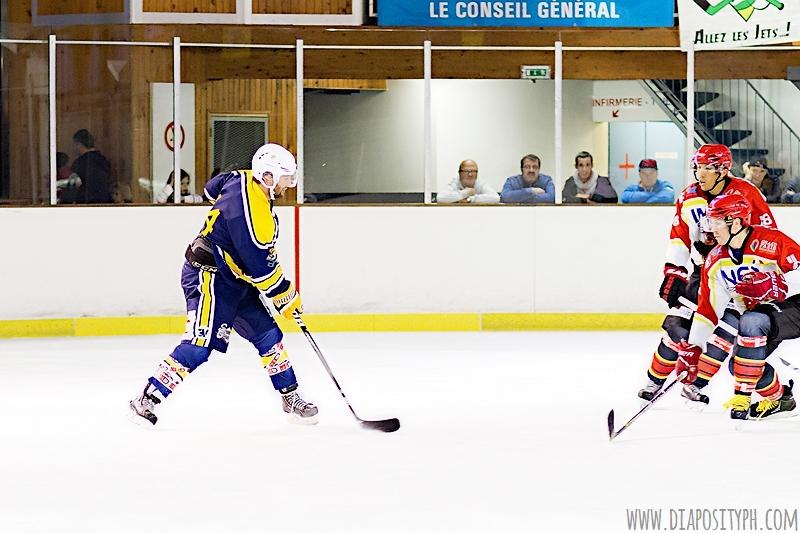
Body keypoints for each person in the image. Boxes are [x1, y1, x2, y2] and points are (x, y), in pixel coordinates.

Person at [129, 143, 318, 426]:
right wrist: (286, 296)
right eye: (284, 179)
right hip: (208, 276)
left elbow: (210, 188)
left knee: (268, 335)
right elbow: (260, 267)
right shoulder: (253, 216)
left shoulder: (241, 177)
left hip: (233, 278)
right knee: (199, 345)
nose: (288, 186)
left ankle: (289, 396)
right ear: (267, 176)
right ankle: (146, 398)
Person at [638, 144, 778, 406]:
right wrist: (674, 272)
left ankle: (695, 383)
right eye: (698, 167)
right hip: (702, 271)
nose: (700, 174)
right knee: (676, 327)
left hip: (737, 276)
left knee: (723, 333)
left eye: (708, 168)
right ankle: (654, 380)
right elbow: (679, 236)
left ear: (723, 169)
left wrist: (756, 271)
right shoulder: (688, 196)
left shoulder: (747, 193)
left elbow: (765, 235)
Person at [676, 194, 796, 420]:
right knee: (739, 365)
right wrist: (693, 348)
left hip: (794, 308)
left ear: (737, 222)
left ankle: (742, 396)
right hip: (765, 321)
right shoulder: (715, 260)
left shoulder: (772, 241)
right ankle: (781, 399)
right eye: (710, 222)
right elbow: (708, 311)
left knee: (751, 320)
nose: (712, 229)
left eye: (717, 222)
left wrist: (777, 284)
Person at [70, 129, 112, 204]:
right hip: (104, 203)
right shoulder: (104, 161)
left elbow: (73, 187)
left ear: (79, 145)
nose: (74, 148)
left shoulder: (79, 163)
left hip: (85, 205)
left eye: (75, 145)